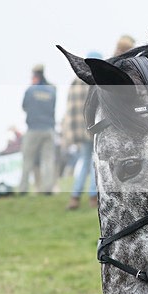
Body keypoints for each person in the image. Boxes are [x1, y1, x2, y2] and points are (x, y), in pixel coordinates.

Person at [62, 51, 101, 210]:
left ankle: (75, 197)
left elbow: (69, 109)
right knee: (94, 163)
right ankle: (93, 196)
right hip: (91, 128)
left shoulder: (75, 81)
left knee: (83, 161)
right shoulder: (93, 81)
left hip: (78, 130)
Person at [19, 64, 57, 194]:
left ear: (35, 75)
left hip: (33, 129)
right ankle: (48, 189)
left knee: (27, 160)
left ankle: (23, 189)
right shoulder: (52, 91)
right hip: (49, 129)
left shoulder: (30, 91)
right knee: (48, 160)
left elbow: (24, 107)